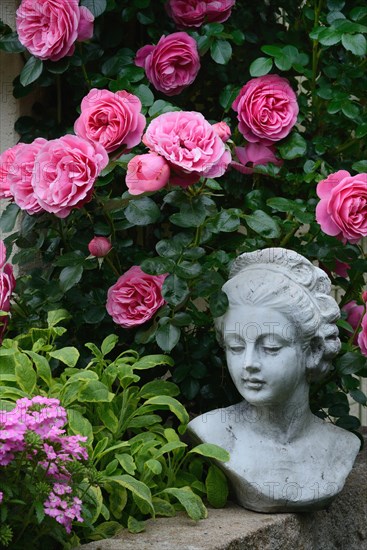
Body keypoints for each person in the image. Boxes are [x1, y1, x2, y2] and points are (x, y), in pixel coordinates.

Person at [188, 248, 360, 512]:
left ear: (313, 351)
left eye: (270, 347)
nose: (249, 364)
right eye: (235, 347)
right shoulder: (211, 433)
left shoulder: (341, 445)